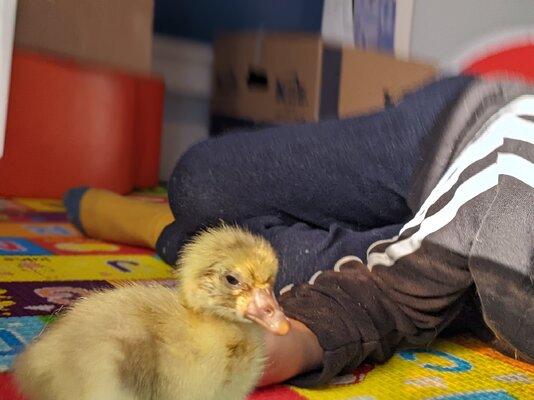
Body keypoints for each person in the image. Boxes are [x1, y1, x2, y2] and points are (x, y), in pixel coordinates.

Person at [64, 75, 534, 387]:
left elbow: (386, 299)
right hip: (455, 130)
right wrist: (303, 335)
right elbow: (390, 293)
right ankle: (163, 226)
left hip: (470, 253)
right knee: (199, 187)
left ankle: (172, 238)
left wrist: (296, 339)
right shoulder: (513, 191)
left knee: (273, 267)